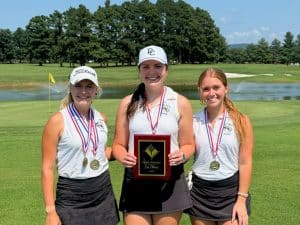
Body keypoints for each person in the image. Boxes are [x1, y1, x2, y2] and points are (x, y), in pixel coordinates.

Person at [112, 45, 195, 225]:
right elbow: (118, 145)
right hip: (136, 182)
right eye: (146, 66)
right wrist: (122, 157)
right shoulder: (127, 103)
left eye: (157, 66)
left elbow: (189, 144)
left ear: (166, 69)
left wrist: (182, 155)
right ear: (139, 71)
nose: (152, 72)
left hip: (170, 181)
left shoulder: (180, 102)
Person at [41, 66, 119, 225]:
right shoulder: (57, 121)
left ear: (96, 90)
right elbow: (47, 168)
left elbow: (101, 153)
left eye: (89, 86)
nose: (83, 91)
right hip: (72, 195)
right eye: (78, 85)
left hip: (102, 190)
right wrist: (50, 210)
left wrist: (126, 150)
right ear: (70, 88)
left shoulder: (101, 118)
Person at [185, 68, 253, 225]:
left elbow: (245, 162)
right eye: (206, 89)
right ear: (200, 92)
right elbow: (185, 152)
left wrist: (241, 200)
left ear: (226, 88)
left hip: (231, 192)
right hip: (200, 192)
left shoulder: (241, 120)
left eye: (216, 87)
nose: (211, 93)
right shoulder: (192, 121)